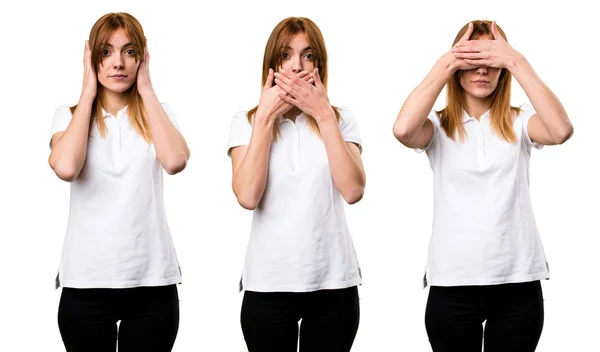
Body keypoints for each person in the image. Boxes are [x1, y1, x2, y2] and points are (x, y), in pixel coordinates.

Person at [393, 20, 573, 352]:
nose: (482, 70)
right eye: (472, 60)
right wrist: (446, 62)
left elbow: (560, 130)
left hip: (517, 282)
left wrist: (516, 60)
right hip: (452, 284)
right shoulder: (436, 125)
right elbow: (403, 130)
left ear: (503, 70)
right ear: (457, 69)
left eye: (492, 61)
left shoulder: (521, 121)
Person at [48, 12, 190, 352]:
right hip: (85, 284)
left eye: (129, 52)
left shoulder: (159, 113)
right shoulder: (68, 117)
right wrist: (87, 92)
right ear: (92, 59)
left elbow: (175, 160)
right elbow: (66, 166)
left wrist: (147, 88)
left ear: (141, 58)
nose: (118, 63)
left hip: (152, 284)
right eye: (106, 52)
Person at [227, 16, 366, 352]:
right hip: (267, 285)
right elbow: (247, 195)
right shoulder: (245, 121)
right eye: (285, 56)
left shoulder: (340, 117)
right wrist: (265, 118)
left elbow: (353, 190)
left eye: (307, 56)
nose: (296, 66)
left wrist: (323, 115)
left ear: (319, 65)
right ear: (272, 64)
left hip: (333, 284)